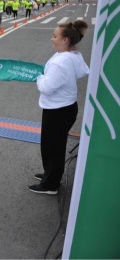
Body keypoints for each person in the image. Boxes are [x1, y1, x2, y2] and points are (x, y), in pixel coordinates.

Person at [29, 20, 89, 194]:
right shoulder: (73, 55)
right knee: (53, 145)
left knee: (52, 147)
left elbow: (46, 87)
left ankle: (51, 184)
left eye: (55, 36)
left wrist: (39, 77)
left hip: (57, 110)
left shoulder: (60, 62)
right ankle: (50, 174)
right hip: (66, 107)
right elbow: (82, 71)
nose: (52, 39)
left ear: (65, 40)